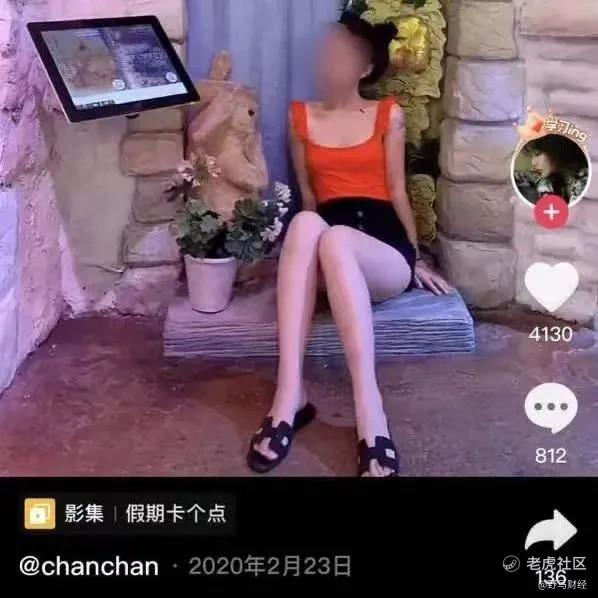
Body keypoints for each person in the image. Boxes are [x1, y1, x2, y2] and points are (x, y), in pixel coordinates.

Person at [247, 11, 451, 478]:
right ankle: (289, 396)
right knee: (307, 222)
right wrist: (296, 261)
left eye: (344, 54)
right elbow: (310, 198)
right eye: (328, 52)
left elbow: (397, 191)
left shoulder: (387, 114)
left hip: (382, 252)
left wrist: (417, 256)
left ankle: (369, 409)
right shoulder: (301, 117)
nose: (331, 61)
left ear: (365, 67)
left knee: (337, 238)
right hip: (329, 249)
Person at [521, 134, 588, 205]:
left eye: (537, 154)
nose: (533, 163)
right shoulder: (551, 180)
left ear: (556, 151)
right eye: (532, 156)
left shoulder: (584, 181)